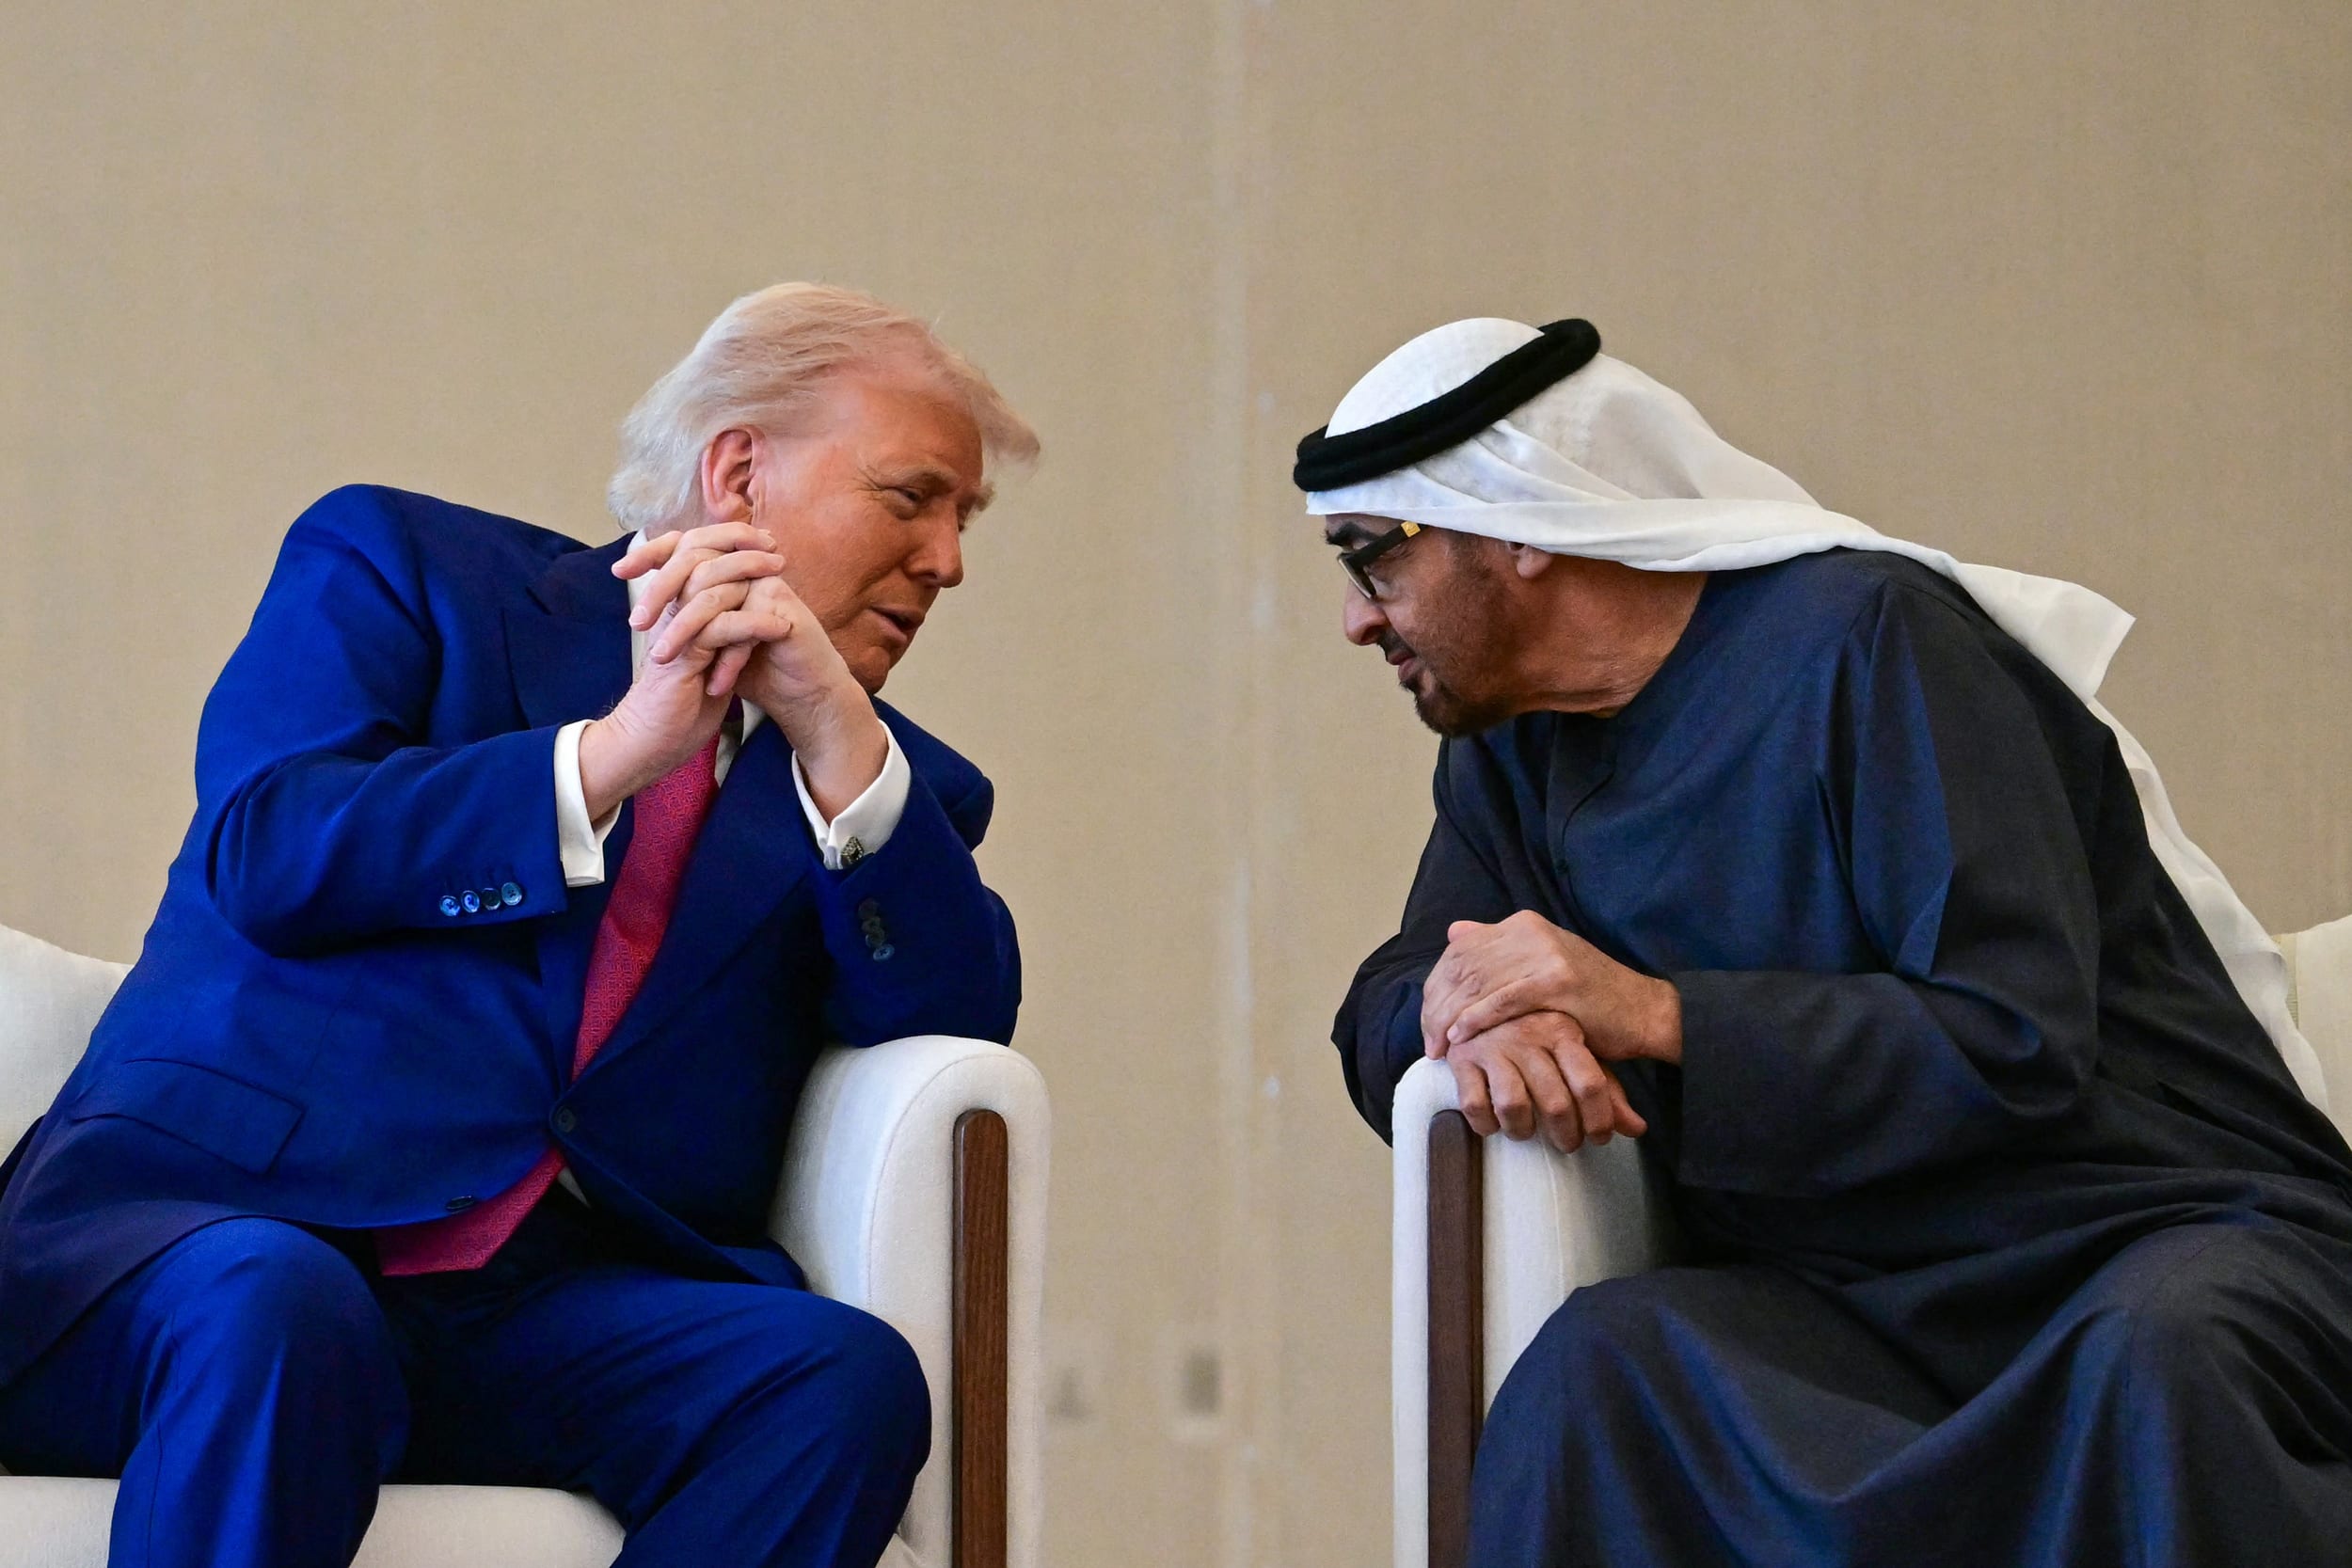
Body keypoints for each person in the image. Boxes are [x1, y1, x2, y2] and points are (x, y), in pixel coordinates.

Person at [0, 282, 1035, 1568]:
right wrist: (604, 759)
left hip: (532, 1314)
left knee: (835, 1377)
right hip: (193, 1247)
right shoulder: (412, 569)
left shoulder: (891, 788)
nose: (948, 560)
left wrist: (835, 741)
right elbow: (268, 850)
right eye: (911, 496)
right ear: (741, 473)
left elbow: (948, 1017)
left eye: (964, 517)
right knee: (282, 1303)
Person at [1310, 316, 2352, 1566]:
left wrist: (1645, 1012)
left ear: (1520, 525)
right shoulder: (1512, 755)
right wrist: (1467, 1012)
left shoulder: (1875, 643)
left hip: (2146, 1237)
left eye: (1372, 560)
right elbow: (1387, 997)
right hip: (1851, 1304)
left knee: (2159, 1361)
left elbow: (2013, 1042)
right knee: (1601, 1370)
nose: (1360, 624)